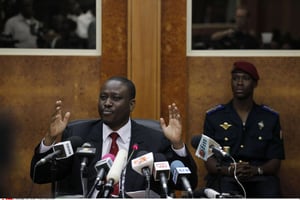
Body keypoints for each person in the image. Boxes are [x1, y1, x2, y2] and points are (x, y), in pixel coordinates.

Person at [30, 76, 198, 198]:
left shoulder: (154, 139)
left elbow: (185, 183)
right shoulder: (78, 135)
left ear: (131, 104)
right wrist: (49, 139)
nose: (107, 103)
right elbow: (40, 176)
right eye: (103, 97)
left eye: (116, 98)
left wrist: (177, 145)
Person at [202, 61, 285, 198]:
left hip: (260, 177)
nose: (239, 83)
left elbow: (275, 161)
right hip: (226, 177)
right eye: (235, 78)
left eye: (245, 78)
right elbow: (208, 159)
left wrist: (256, 170)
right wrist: (229, 170)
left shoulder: (270, 118)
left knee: (271, 190)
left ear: (255, 83)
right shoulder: (213, 117)